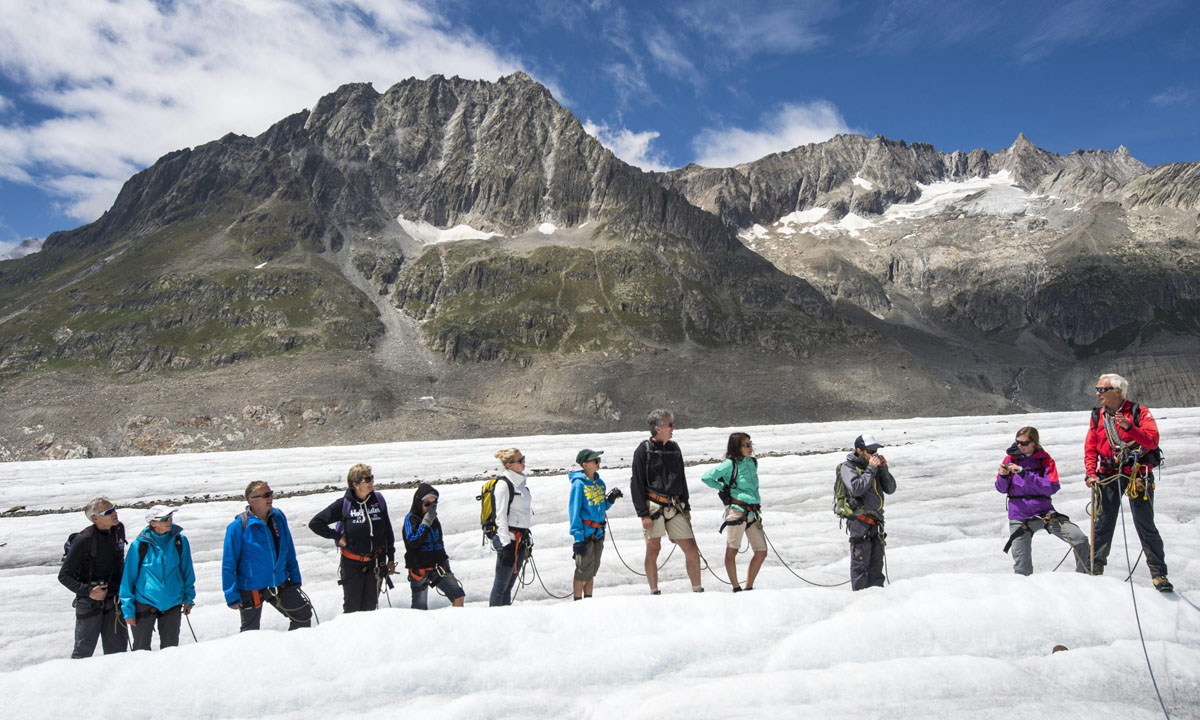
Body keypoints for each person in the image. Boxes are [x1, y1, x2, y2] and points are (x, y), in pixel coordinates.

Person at [1084, 373, 1172, 592]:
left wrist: (1130, 428)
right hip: (1108, 474)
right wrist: (1090, 472)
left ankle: (1159, 573)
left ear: (1117, 391)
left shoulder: (1139, 413)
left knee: (1145, 523)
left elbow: (1152, 441)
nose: (1098, 394)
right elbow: (1091, 446)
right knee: (1103, 523)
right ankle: (1095, 569)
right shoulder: (1098, 416)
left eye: (1102, 390)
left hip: (1136, 475)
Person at [996, 428, 1091, 575]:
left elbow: (1051, 486)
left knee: (1079, 539)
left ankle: (1084, 576)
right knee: (1022, 568)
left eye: (1024, 443)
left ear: (1034, 443)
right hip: (1019, 516)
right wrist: (1002, 476)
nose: (1020, 446)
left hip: (1044, 513)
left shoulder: (1045, 460)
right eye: (1018, 442)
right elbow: (1002, 489)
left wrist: (1024, 473)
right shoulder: (1010, 459)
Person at [221, 481, 313, 630]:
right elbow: (229, 563)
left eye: (270, 494)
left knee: (303, 615)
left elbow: (288, 548)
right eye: (265, 495)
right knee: (250, 632)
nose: (270, 498)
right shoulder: (238, 526)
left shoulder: (278, 517)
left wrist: (295, 577)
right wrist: (231, 594)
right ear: (251, 500)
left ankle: (291, 651)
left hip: (279, 582)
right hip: (251, 588)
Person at [631, 409, 703, 594]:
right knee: (653, 548)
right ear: (657, 428)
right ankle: (654, 591)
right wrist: (643, 514)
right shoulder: (643, 450)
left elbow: (682, 478)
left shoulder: (675, 448)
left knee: (691, 549)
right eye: (669, 424)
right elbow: (637, 483)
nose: (673, 428)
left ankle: (697, 590)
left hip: (676, 505)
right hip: (654, 506)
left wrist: (686, 505)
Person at [309, 464, 396, 614]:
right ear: (355, 484)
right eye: (367, 479)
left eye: (372, 477)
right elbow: (315, 523)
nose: (371, 482)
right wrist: (337, 536)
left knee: (370, 608)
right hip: (352, 565)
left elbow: (387, 530)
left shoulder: (378, 500)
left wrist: (390, 557)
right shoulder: (344, 504)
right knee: (352, 608)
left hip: (375, 563)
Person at [58, 497, 129, 658]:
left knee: (118, 653)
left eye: (114, 509)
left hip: (115, 601)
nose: (114, 513)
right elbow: (64, 575)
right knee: (83, 653)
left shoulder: (118, 530)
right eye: (109, 512)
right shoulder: (84, 540)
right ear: (95, 518)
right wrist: (89, 591)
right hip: (89, 601)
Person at [119, 505, 197, 650]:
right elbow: (128, 579)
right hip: (144, 602)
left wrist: (189, 598)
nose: (169, 521)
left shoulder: (180, 541)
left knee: (171, 649)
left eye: (170, 517)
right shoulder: (139, 545)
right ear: (152, 523)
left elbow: (187, 570)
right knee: (141, 650)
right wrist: (128, 609)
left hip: (173, 602)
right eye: (164, 518)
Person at [701, 432, 767, 592]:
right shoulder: (730, 464)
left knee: (761, 551)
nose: (751, 448)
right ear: (737, 447)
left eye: (751, 444)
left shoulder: (752, 462)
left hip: (752, 513)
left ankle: (749, 587)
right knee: (733, 550)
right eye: (747, 445)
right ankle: (736, 587)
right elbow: (707, 477)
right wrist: (723, 487)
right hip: (737, 512)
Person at [839, 434, 897, 590]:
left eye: (875, 451)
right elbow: (856, 488)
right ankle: (860, 604)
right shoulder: (848, 467)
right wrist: (871, 469)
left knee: (876, 567)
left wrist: (883, 469)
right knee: (860, 567)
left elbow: (890, 488)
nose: (874, 454)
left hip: (876, 523)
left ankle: (877, 602)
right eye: (871, 451)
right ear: (859, 450)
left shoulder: (873, 467)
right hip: (860, 523)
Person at [567, 449, 623, 600]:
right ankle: (578, 602)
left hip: (598, 534)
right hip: (585, 535)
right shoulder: (579, 485)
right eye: (595, 461)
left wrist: (610, 500)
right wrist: (578, 538)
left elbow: (601, 506)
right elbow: (574, 511)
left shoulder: (600, 483)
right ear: (585, 464)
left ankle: (588, 600)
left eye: (598, 460)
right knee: (582, 572)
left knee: (591, 571)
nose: (598, 463)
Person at [402, 483, 466, 609]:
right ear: (418, 503)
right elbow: (413, 541)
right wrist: (426, 523)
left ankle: (456, 625)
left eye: (434, 504)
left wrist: (444, 561)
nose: (430, 508)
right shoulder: (411, 519)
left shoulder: (434, 519)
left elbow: (439, 543)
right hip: (419, 569)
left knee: (458, 595)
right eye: (427, 504)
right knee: (419, 607)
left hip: (438, 567)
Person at [490, 448, 533, 606]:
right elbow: (500, 516)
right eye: (520, 460)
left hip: (520, 540)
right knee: (500, 586)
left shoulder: (519, 484)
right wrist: (506, 545)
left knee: (508, 587)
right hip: (509, 540)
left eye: (523, 459)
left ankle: (505, 617)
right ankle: (495, 617)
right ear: (509, 465)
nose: (523, 463)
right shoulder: (504, 485)